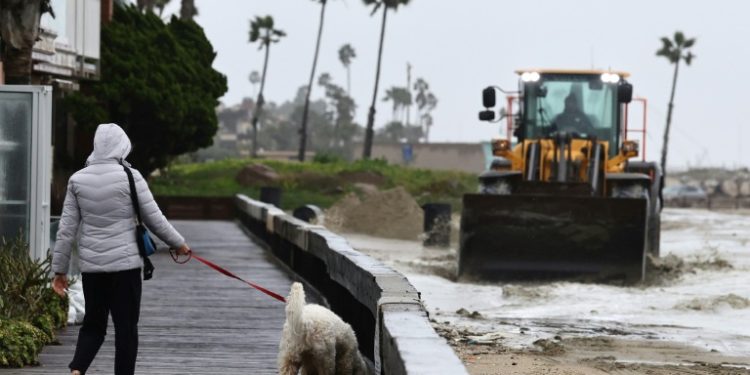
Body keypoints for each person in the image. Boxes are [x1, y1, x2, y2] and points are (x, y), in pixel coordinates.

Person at [51, 123, 191, 375]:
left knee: (93, 327)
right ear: (121, 146)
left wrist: (59, 270)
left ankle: (76, 371)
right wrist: (178, 243)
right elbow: (154, 219)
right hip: (125, 269)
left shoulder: (77, 180)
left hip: (93, 268)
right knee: (126, 329)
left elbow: (66, 230)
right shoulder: (131, 176)